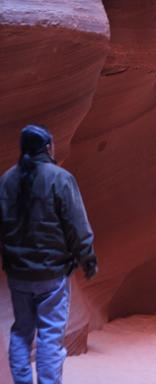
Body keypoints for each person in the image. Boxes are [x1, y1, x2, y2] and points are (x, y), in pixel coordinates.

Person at [0, 124, 98, 384]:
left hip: (18, 273)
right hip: (52, 275)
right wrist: (87, 258)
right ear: (47, 147)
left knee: (21, 332)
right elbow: (77, 224)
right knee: (49, 338)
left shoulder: (7, 180)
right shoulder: (60, 178)